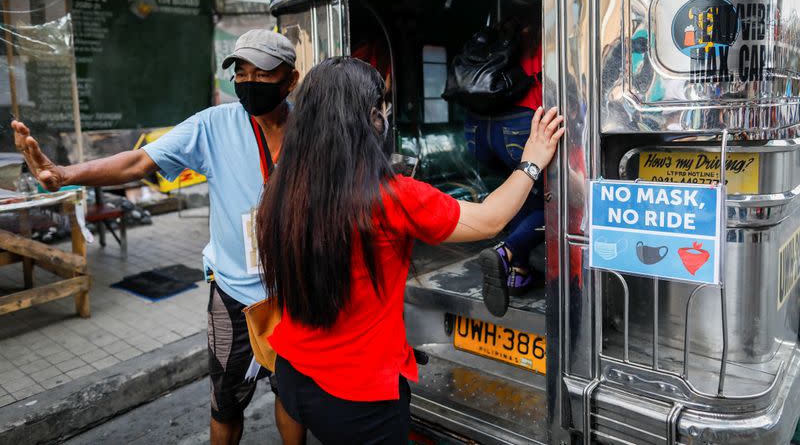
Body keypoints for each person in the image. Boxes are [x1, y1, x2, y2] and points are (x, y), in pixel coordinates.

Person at [10, 30, 306, 445]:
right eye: (242, 73)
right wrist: (63, 174)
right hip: (235, 295)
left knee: (293, 397)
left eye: (263, 74)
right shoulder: (213, 125)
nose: (250, 82)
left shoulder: (312, 130)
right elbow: (137, 162)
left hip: (298, 292)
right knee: (225, 402)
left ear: (290, 81)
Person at [256, 57, 563, 443]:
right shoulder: (390, 197)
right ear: (367, 120)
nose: (385, 116)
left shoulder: (282, 186)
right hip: (360, 399)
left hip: (292, 372)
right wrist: (532, 161)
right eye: (380, 108)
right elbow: (489, 219)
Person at [462, 21, 545, 317]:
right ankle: (505, 253)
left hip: (476, 130)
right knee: (554, 203)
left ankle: (519, 270)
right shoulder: (543, 37)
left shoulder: (499, 38)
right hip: (519, 127)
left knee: (518, 190)